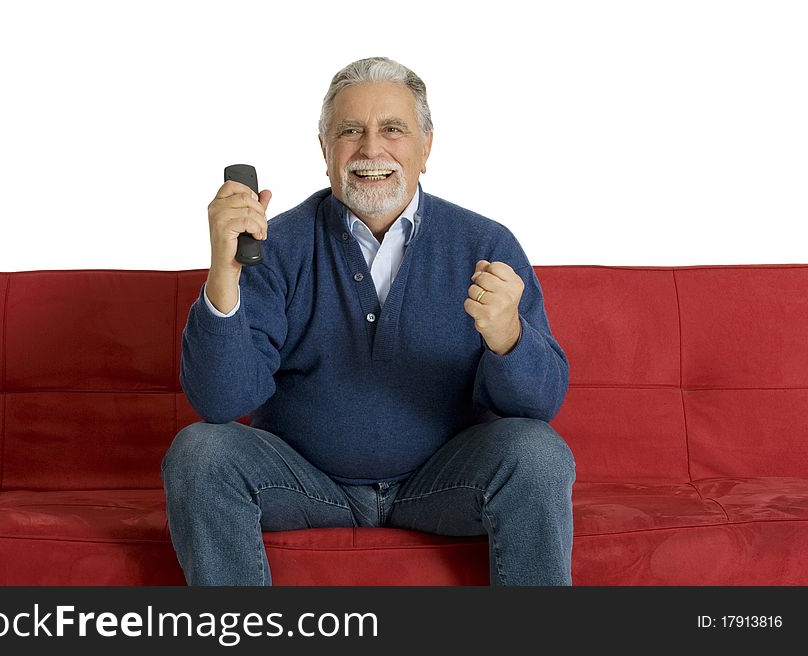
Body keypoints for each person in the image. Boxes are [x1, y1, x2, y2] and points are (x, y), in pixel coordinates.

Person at [162, 56, 576, 586]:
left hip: (440, 484)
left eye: (393, 130)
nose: (371, 149)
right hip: (306, 482)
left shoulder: (485, 244)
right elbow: (219, 402)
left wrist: (508, 339)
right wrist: (224, 273)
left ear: (426, 148)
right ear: (324, 150)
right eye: (350, 131)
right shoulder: (277, 245)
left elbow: (539, 407)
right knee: (199, 453)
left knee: (538, 454)